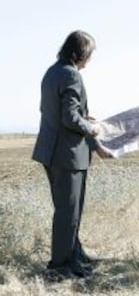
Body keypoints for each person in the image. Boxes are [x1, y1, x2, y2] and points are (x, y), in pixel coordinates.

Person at [32, 30, 112, 280]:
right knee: (69, 212)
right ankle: (61, 265)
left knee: (66, 209)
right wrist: (92, 127)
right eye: (89, 55)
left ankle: (75, 257)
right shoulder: (72, 75)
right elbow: (70, 117)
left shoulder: (51, 72)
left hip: (50, 151)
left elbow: (49, 108)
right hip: (67, 155)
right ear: (81, 53)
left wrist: (81, 120)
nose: (89, 60)